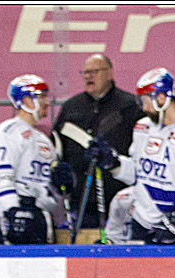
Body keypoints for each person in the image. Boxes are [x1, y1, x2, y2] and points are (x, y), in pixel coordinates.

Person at [85, 67, 175, 244]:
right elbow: (139, 175)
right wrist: (113, 162)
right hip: (141, 223)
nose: (144, 107)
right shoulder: (142, 127)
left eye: (146, 101)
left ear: (161, 98)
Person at [53, 54, 144, 229]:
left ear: (110, 73)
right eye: (85, 72)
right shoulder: (71, 107)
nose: (88, 76)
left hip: (120, 196)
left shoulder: (130, 106)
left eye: (94, 71)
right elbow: (57, 144)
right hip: (80, 200)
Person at [0, 74, 75, 244]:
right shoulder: (7, 132)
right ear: (27, 101)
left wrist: (58, 188)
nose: (47, 103)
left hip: (40, 216)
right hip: (17, 210)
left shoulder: (46, 141)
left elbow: (48, 195)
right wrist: (11, 211)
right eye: (41, 97)